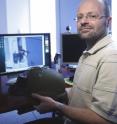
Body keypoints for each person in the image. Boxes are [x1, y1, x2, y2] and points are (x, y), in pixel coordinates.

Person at [32, 0, 117, 124]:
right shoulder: (88, 52)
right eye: (79, 17)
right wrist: (59, 95)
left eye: (92, 16)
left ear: (108, 22)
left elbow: (102, 120)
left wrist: (56, 106)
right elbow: (82, 94)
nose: (83, 21)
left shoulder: (111, 58)